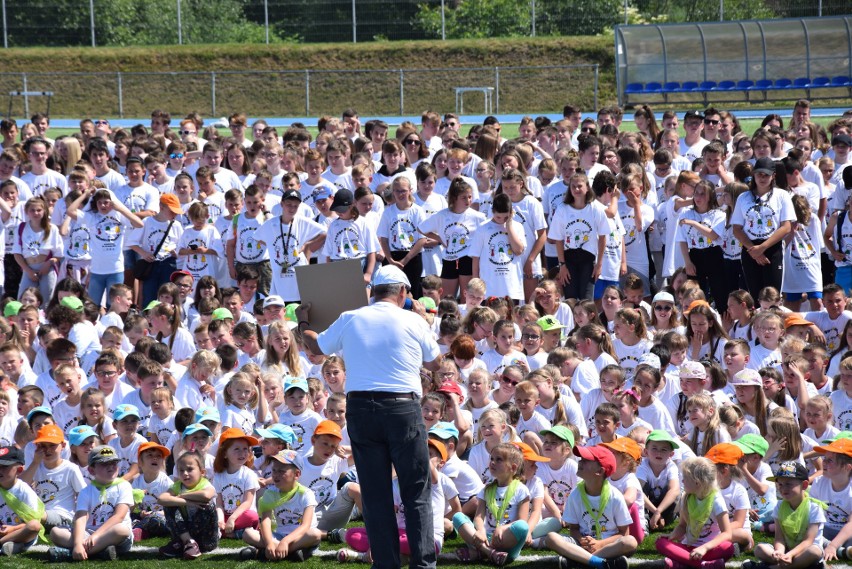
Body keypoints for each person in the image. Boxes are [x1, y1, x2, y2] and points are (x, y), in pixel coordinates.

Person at [297, 264, 442, 569]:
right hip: (403, 408)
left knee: (375, 495)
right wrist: (425, 320)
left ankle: (386, 564)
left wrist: (303, 320)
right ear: (403, 293)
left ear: (373, 292)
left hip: (362, 409)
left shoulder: (351, 317)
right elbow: (437, 362)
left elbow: (314, 345)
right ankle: (423, 565)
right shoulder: (412, 320)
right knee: (415, 492)